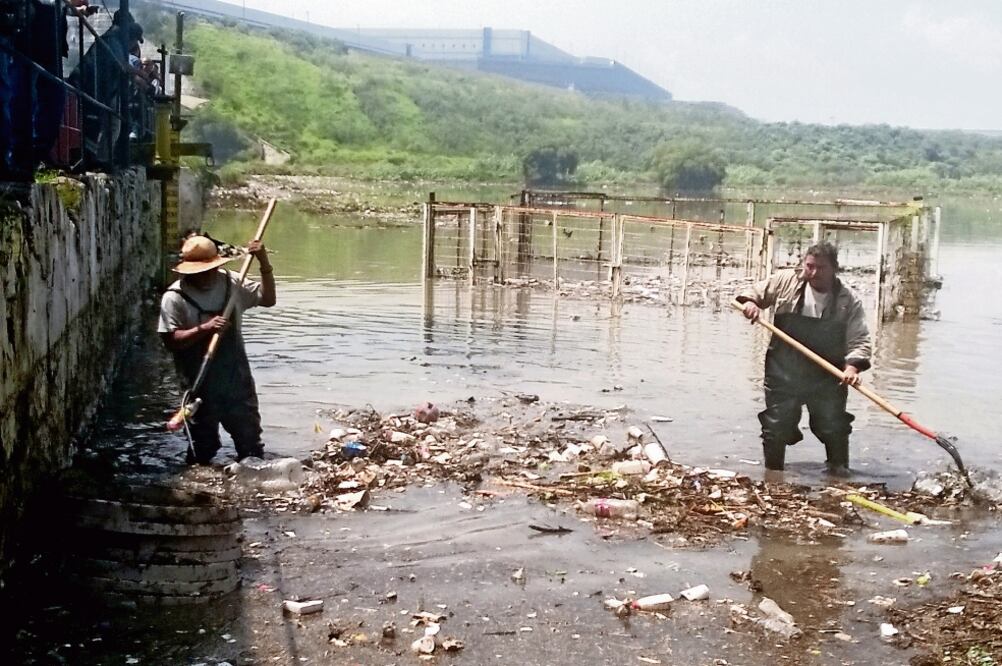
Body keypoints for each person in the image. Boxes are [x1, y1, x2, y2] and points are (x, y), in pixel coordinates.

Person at [736, 242, 871, 476]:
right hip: (784, 369)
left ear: (834, 268)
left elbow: (859, 339)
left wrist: (852, 368)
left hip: (827, 375)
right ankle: (773, 475)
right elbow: (754, 294)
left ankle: (838, 473)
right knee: (777, 425)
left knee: (832, 425)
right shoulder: (786, 281)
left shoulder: (848, 301)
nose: (814, 273)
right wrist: (750, 303)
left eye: (821, 268)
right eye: (809, 266)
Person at [158, 235, 277, 465]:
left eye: (207, 270)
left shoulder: (232, 283)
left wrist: (264, 263)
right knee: (203, 448)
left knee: (250, 445)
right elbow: (171, 341)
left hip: (236, 380)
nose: (204, 276)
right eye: (197, 272)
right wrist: (205, 328)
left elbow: (268, 299)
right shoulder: (174, 298)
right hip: (199, 382)